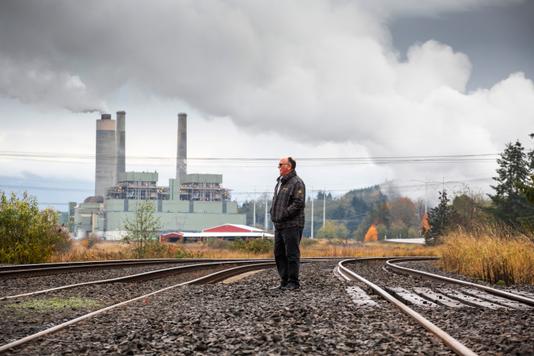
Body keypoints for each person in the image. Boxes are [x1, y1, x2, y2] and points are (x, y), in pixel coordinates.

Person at [270, 156, 306, 290]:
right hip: (279, 225)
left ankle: (293, 282)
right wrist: (273, 214)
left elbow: (298, 203)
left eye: (280, 164)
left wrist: (283, 214)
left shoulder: (297, 182)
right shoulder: (280, 183)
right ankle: (284, 281)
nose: (278, 167)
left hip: (292, 224)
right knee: (279, 253)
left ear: (289, 166)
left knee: (291, 254)